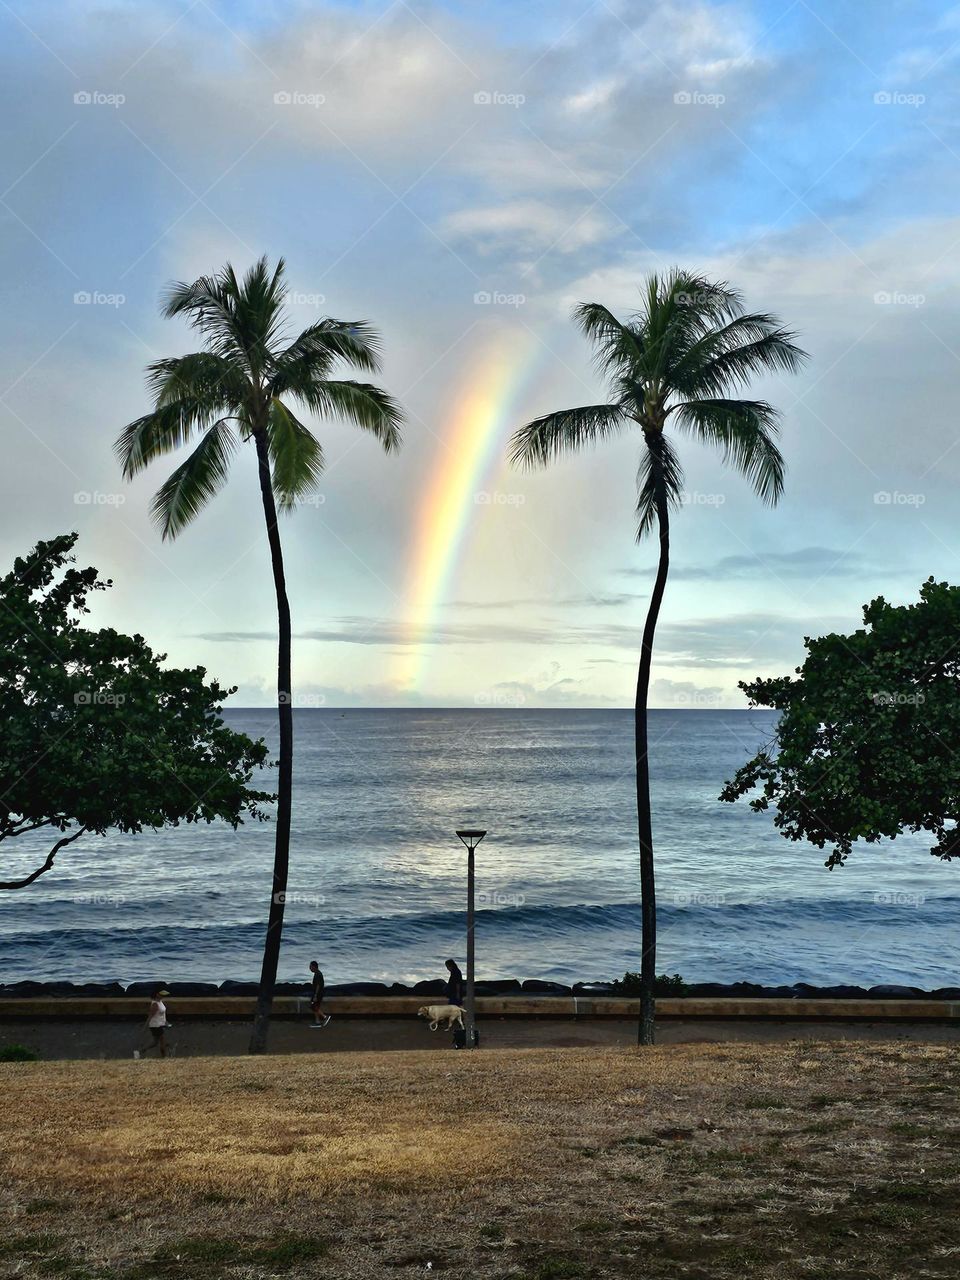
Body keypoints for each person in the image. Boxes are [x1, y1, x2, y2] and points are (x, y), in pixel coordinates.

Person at [140, 988, 170, 1058]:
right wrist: (145, 1027)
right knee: (162, 1041)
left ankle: (142, 1050)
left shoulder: (160, 1001)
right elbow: (150, 1016)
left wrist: (165, 1022)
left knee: (155, 1042)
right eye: (162, 994)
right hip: (155, 1025)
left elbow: (161, 1014)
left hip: (160, 1024)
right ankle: (164, 1057)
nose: (163, 996)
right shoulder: (155, 1004)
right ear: (157, 994)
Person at [309, 960, 331, 1028]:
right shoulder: (317, 973)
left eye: (310, 967)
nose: (310, 968)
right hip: (318, 993)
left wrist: (315, 995)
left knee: (314, 1006)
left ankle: (325, 1017)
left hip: (318, 994)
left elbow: (318, 985)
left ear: (314, 967)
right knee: (315, 1007)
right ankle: (317, 1021)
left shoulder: (318, 974)